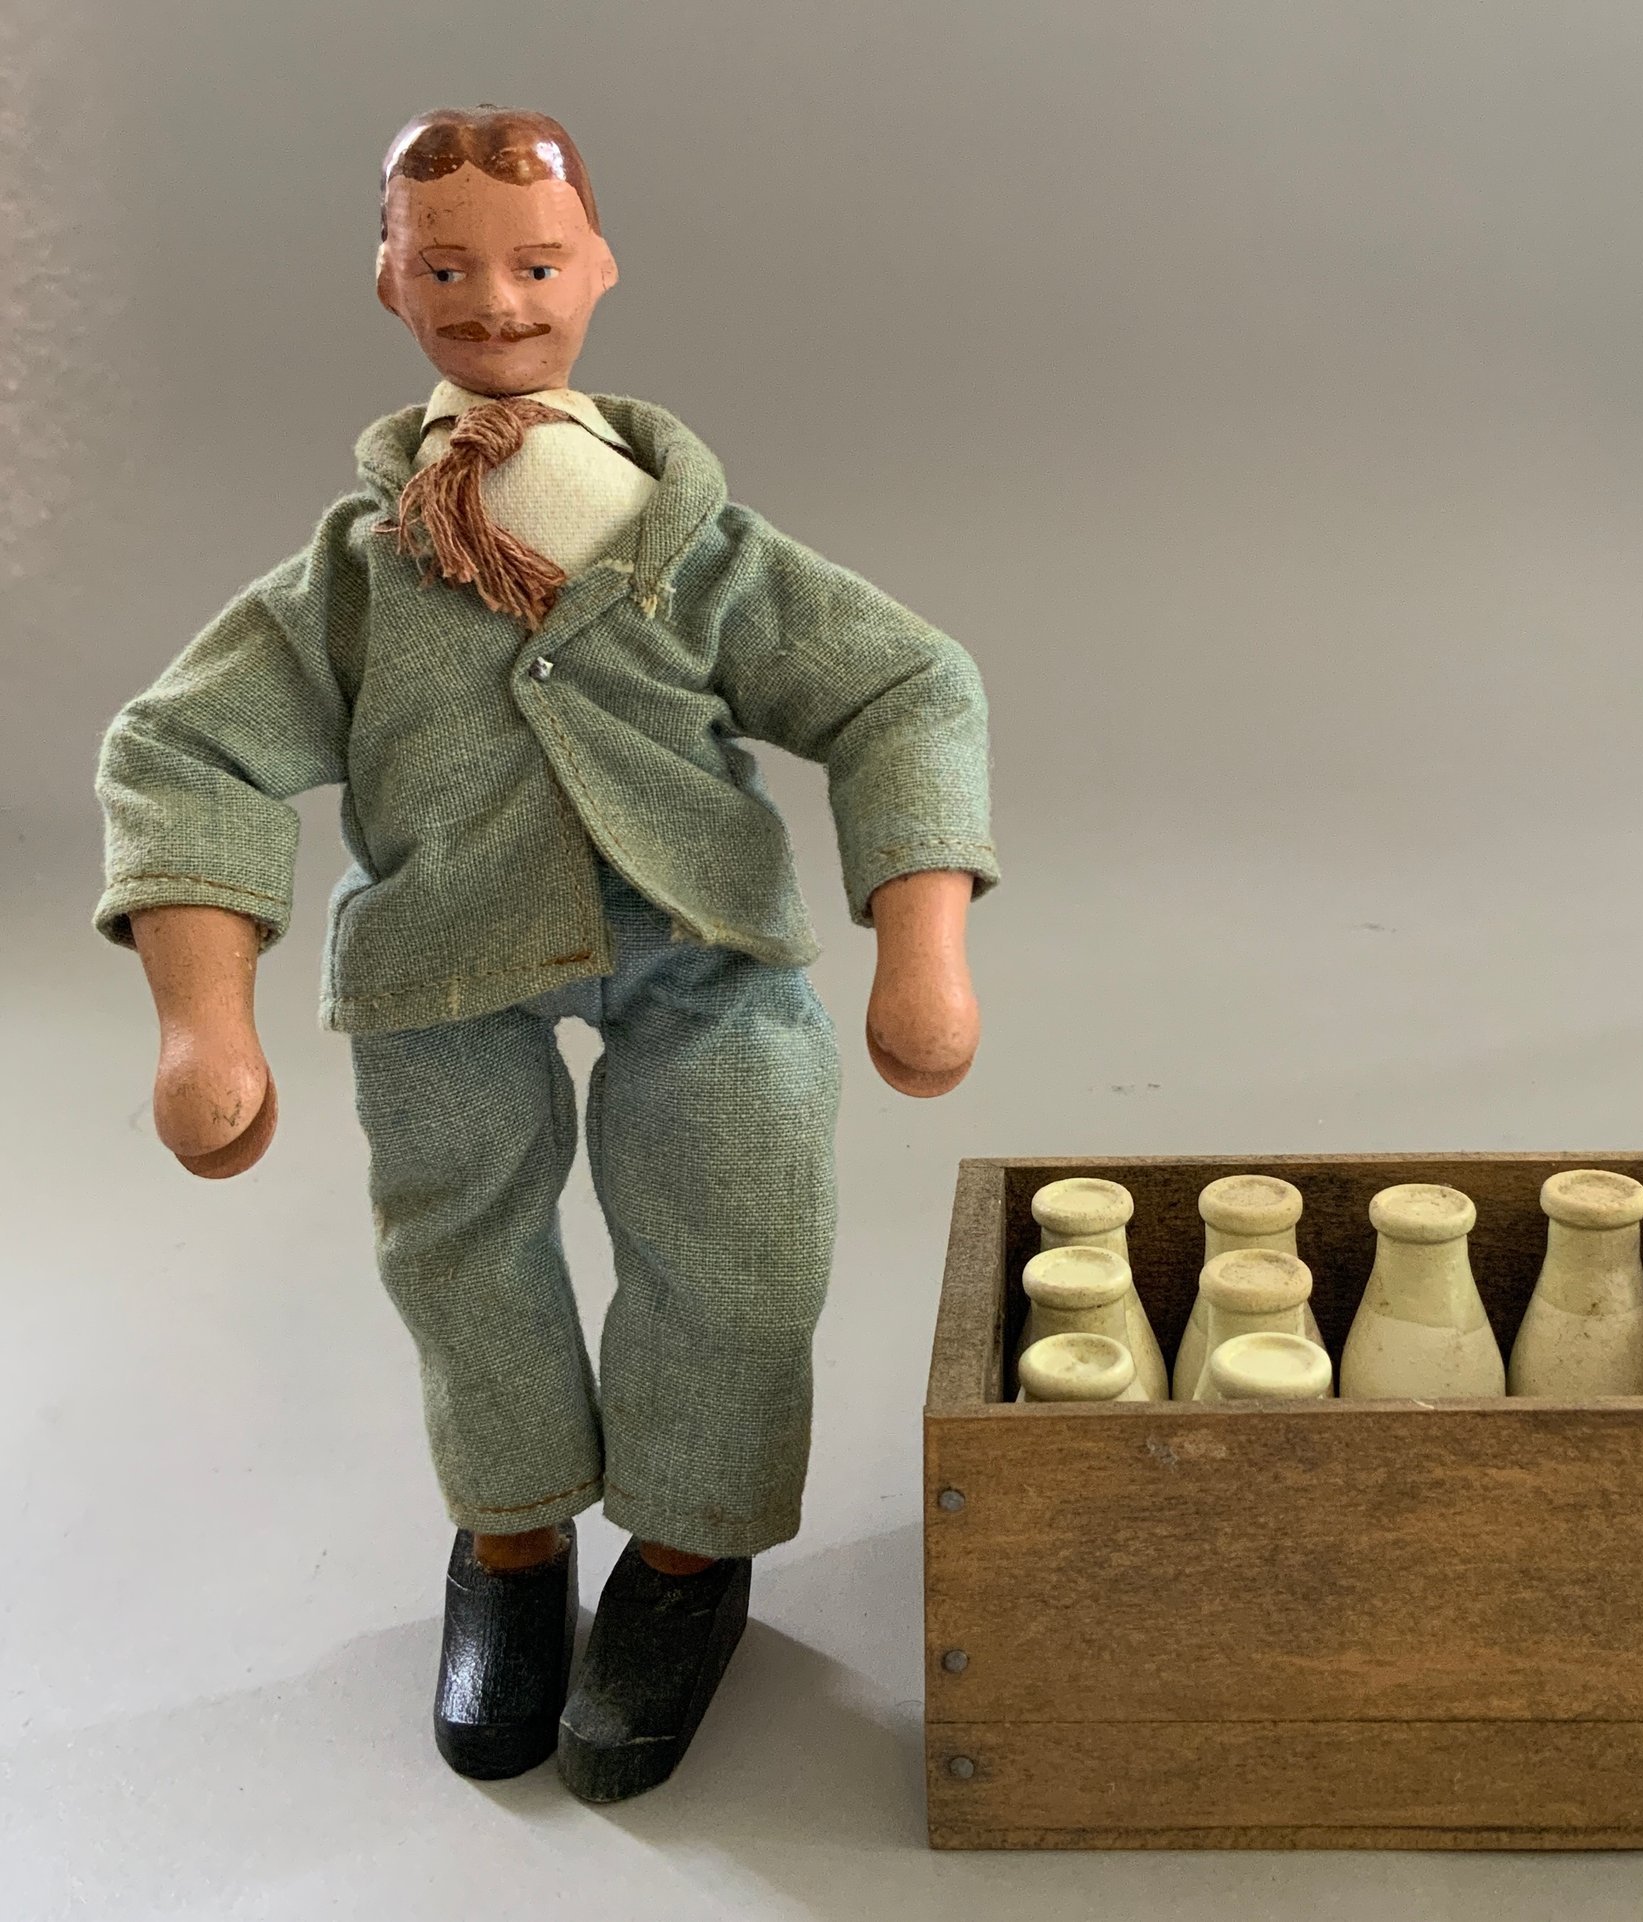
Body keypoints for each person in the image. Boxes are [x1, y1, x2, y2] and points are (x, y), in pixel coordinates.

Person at [93, 105, 998, 1804]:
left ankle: (686, 1551)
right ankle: (509, 1541)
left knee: (739, 1224)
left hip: (702, 936)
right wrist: (202, 1019)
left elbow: (903, 685)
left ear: (598, 271)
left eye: (533, 263)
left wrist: (919, 937)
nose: (494, 301)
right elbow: (181, 746)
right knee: (459, 1244)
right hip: (444, 947)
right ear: (387, 282)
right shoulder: (364, 571)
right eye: (444, 267)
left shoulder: (689, 544)